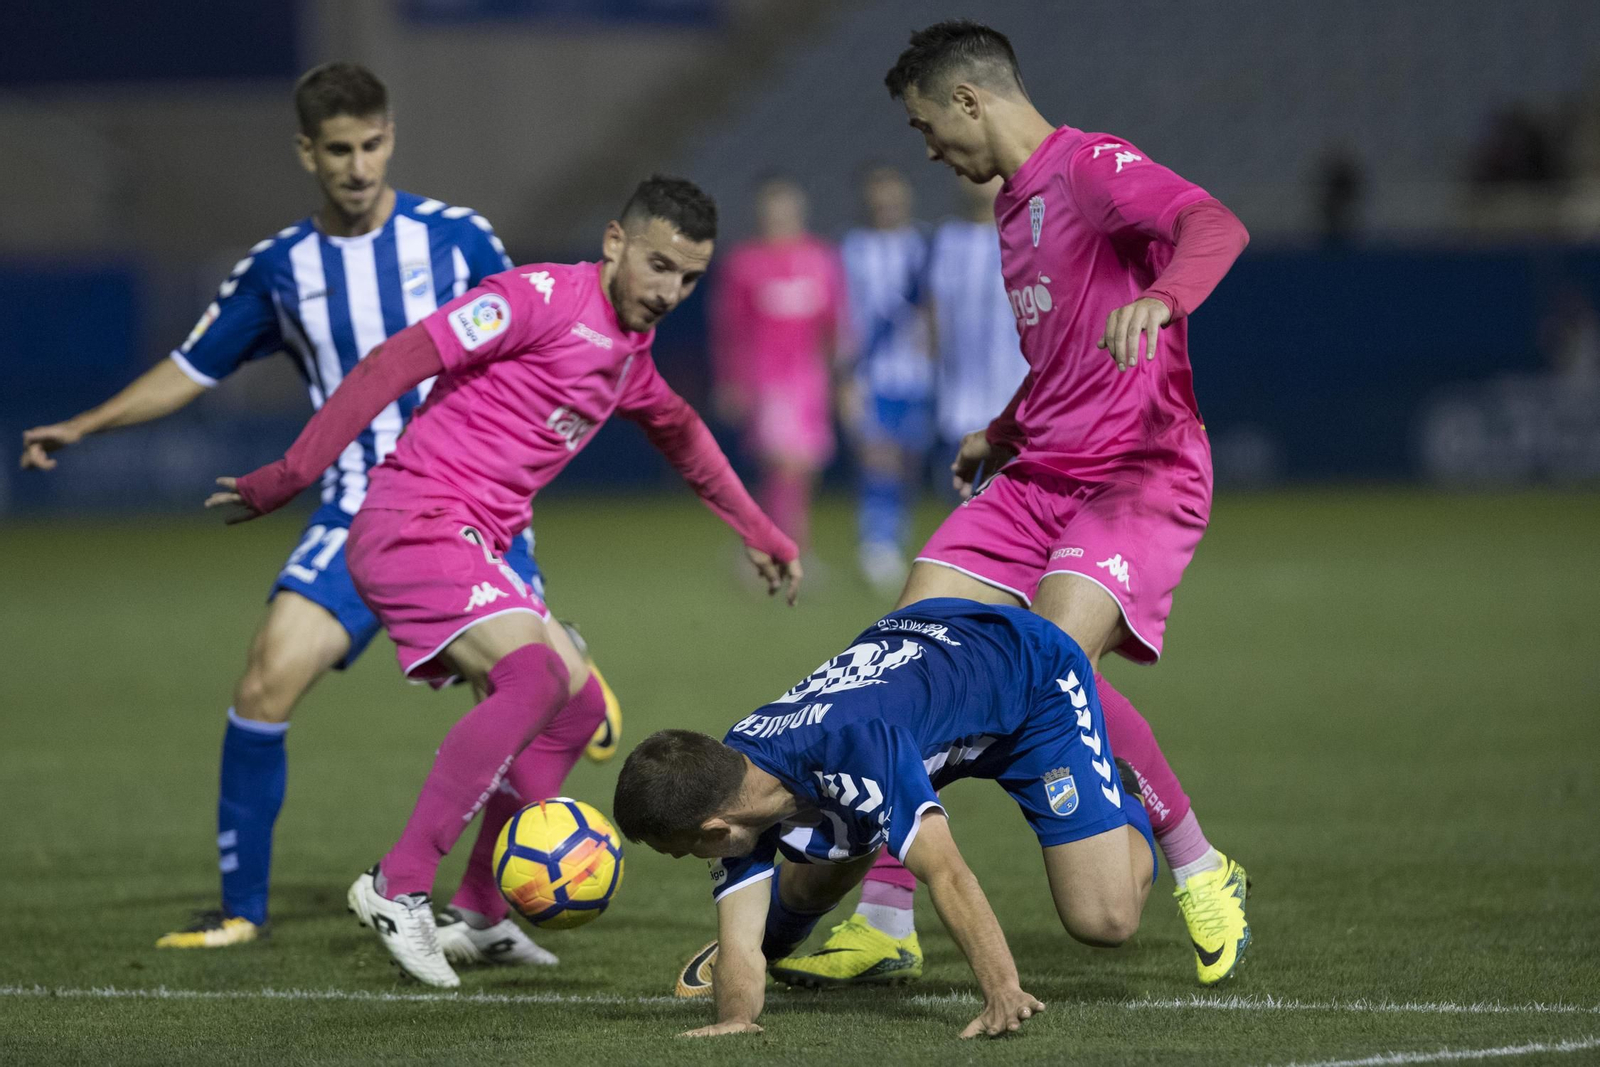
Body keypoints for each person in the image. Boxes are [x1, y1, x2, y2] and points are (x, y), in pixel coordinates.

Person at [17, 62, 613, 964]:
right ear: (308, 151)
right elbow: (191, 367)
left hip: (467, 516)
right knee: (264, 683)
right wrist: (86, 423)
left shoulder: (457, 239)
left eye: (372, 144)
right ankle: (241, 909)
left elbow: (531, 344)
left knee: (540, 700)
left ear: (391, 137)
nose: (358, 165)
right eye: (339, 149)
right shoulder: (279, 268)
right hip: (352, 514)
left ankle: (483, 913)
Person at [208, 174, 802, 988]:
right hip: (413, 520)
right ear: (615, 242)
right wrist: (289, 473)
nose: (670, 290)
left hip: (474, 539)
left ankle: (482, 913)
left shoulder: (629, 358)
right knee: (534, 677)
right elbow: (397, 358)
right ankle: (398, 883)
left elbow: (686, 435)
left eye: (689, 276)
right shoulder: (536, 298)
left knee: (578, 706)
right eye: (658, 264)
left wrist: (762, 531)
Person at [777, 20, 1254, 988]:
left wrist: (1163, 298)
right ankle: (883, 915)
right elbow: (1065, 358)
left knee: (1045, 665)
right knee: (910, 658)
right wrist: (1002, 427)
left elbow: (1216, 225)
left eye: (925, 125)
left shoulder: (1089, 167)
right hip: (1036, 473)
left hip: (1139, 472)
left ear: (968, 100)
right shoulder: (1009, 209)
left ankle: (1199, 860)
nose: (926, 148)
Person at [615, 598, 1156, 1040]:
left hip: (1031, 681)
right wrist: (735, 1019)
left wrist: (1003, 989)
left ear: (713, 828)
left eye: (683, 849)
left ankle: (1120, 791)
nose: (688, 859)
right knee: (832, 851)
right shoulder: (732, 770)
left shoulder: (858, 749)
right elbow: (738, 941)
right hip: (925, 675)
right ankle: (784, 940)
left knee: (1105, 921)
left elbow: (946, 871)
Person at [710, 175, 847, 553]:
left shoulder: (820, 258)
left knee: (805, 468)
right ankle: (786, 550)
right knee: (784, 465)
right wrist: (731, 382)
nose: (779, 217)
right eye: (772, 210)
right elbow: (729, 329)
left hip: (810, 378)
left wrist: (843, 378)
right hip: (767, 379)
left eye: (786, 208)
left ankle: (764, 546)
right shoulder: (744, 263)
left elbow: (834, 324)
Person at [838, 166, 935, 593]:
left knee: (909, 463)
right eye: (878, 195)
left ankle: (894, 542)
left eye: (893, 195)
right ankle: (875, 546)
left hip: (918, 375)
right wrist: (842, 376)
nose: (886, 203)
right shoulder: (851, 249)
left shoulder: (924, 247)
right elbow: (838, 314)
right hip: (868, 373)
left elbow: (935, 307)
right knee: (878, 459)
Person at [926, 175, 1029, 488]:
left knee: (1016, 508)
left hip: (1019, 400)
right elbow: (932, 314)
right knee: (963, 506)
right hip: (960, 403)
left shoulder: (1030, 237)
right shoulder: (944, 240)